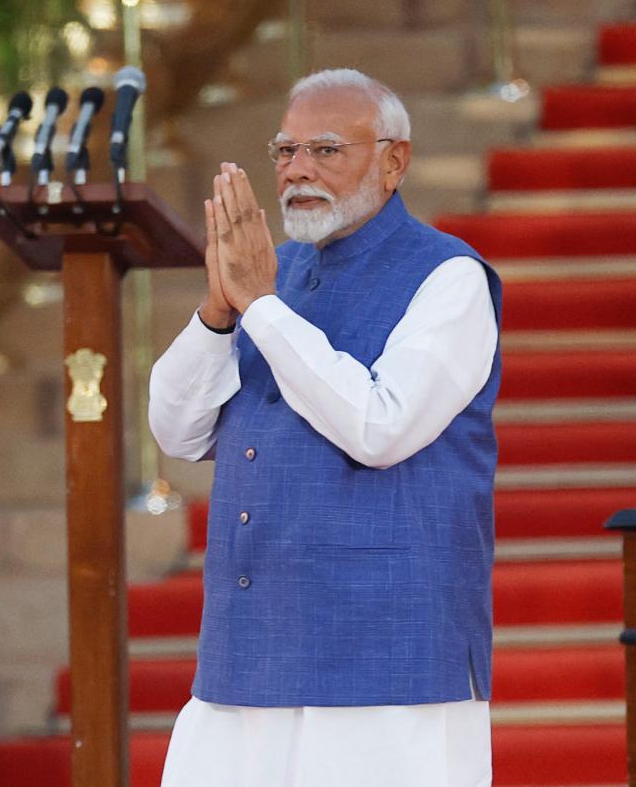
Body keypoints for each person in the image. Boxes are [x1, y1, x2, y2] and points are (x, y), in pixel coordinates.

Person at [149, 68, 502, 787]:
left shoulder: (448, 278)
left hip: (385, 657)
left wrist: (262, 309)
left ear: (394, 160)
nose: (297, 171)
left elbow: (381, 427)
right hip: (249, 652)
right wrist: (220, 312)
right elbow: (178, 433)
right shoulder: (267, 279)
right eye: (285, 152)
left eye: (327, 150)